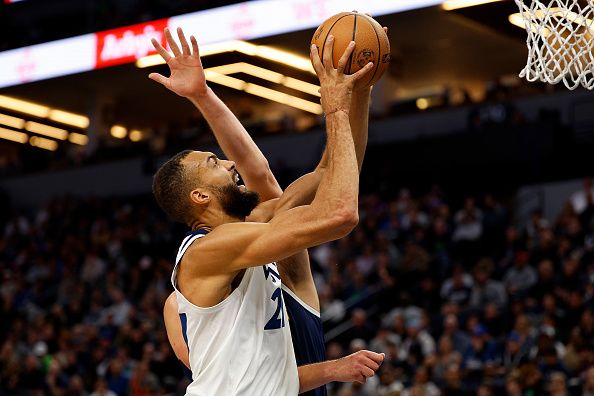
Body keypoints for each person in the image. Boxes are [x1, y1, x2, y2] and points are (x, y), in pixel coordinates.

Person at [150, 27, 379, 395]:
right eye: (214, 162)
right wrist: (334, 106)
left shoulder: (255, 233)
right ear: (200, 196)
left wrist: (361, 91)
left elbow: (324, 172)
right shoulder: (205, 254)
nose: (229, 164)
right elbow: (339, 213)